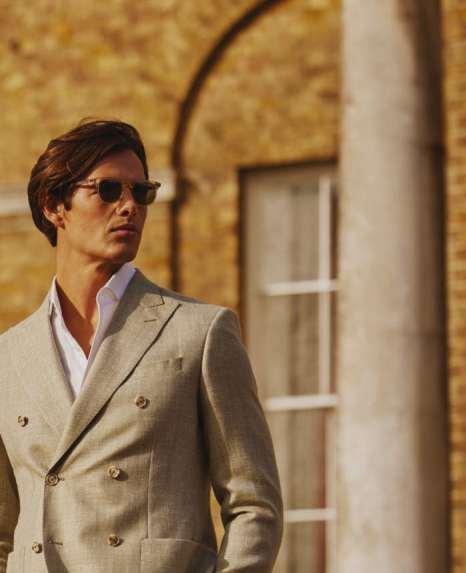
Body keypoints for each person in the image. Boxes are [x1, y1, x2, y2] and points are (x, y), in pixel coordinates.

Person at [0, 119, 283, 573]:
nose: (129, 206)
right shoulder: (9, 357)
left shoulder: (198, 332)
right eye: (108, 190)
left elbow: (253, 504)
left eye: (142, 192)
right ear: (54, 206)